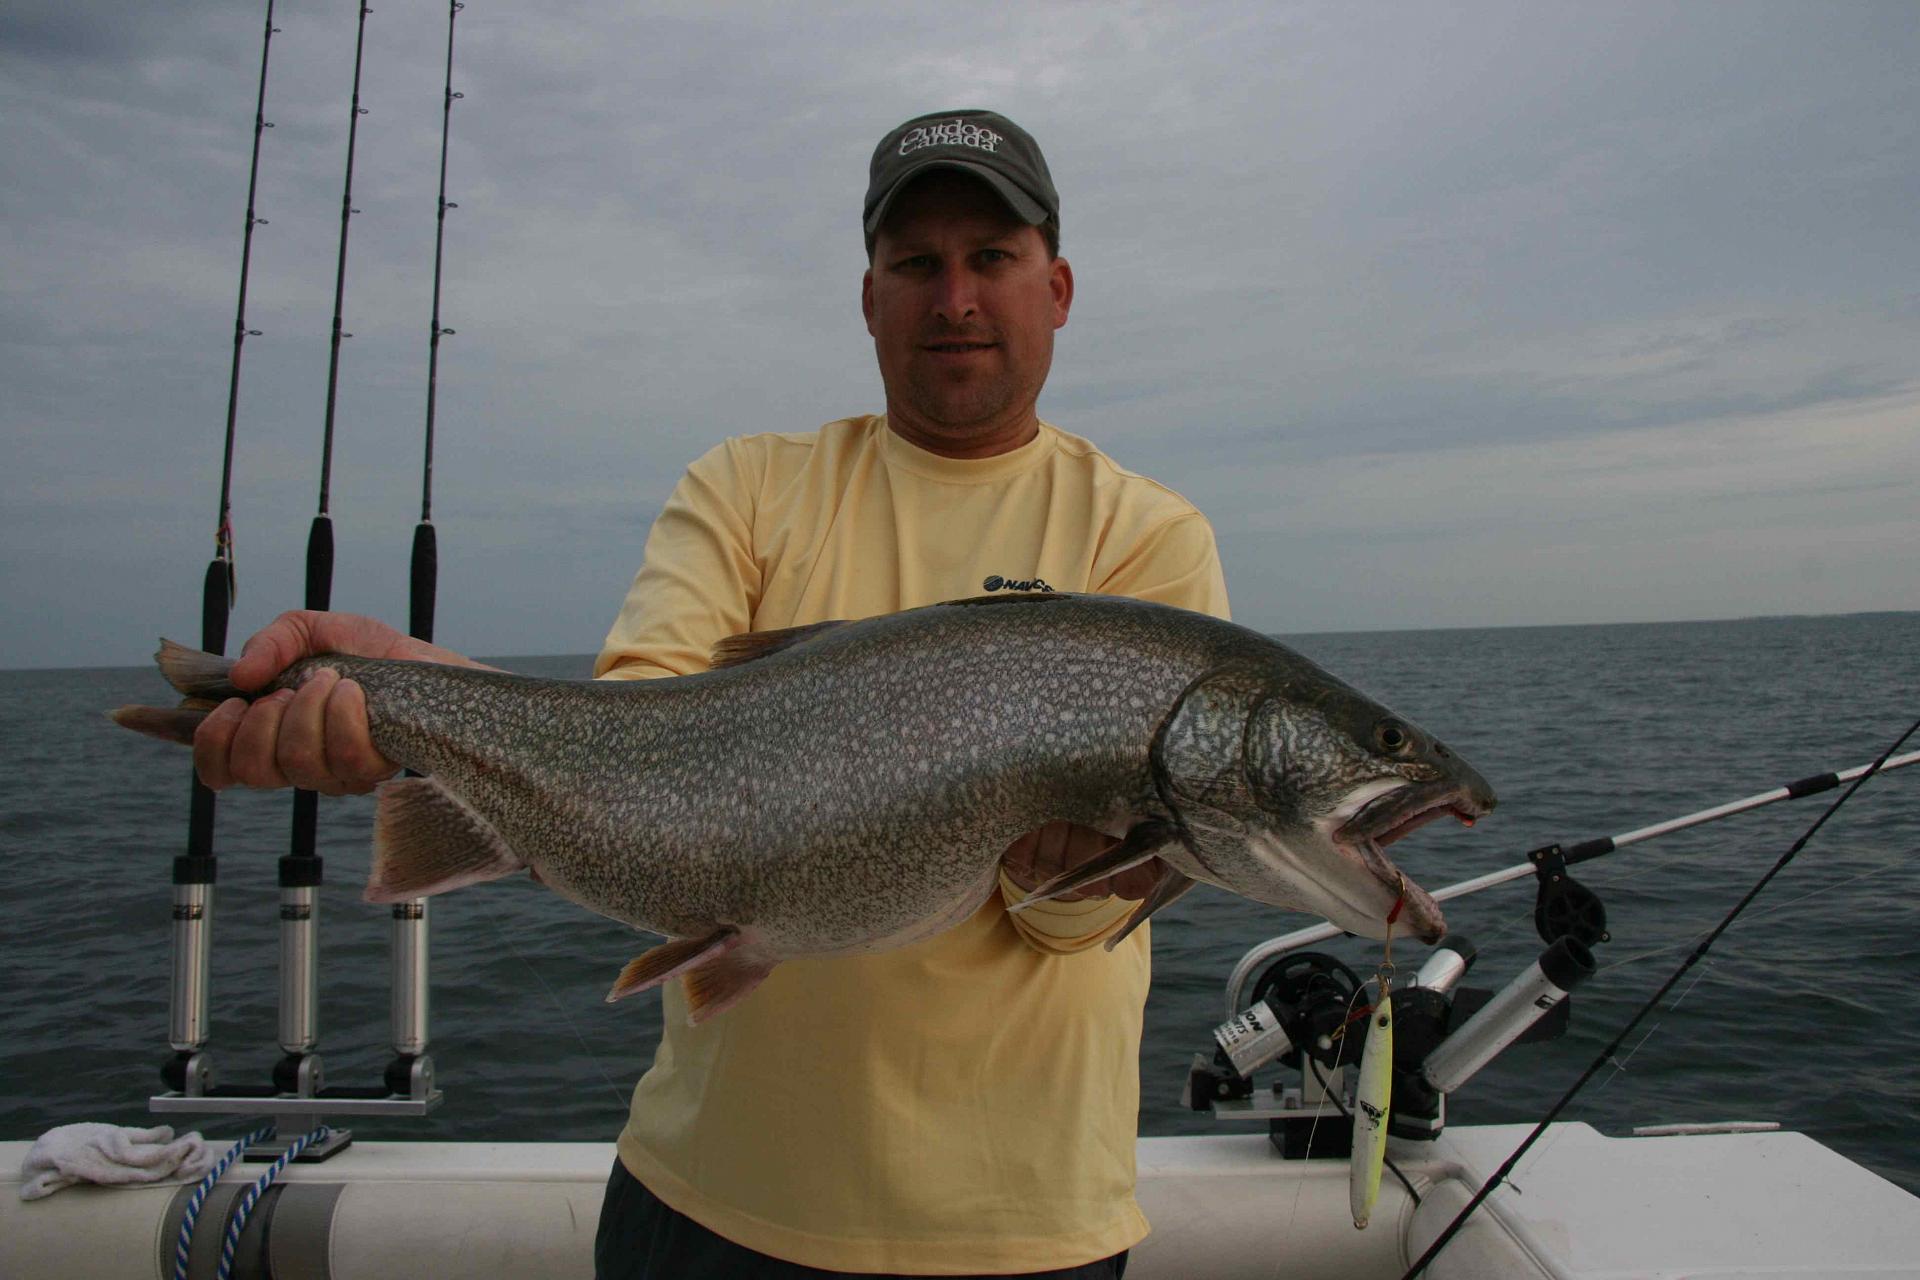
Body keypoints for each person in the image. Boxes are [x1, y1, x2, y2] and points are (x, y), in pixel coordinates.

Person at [192, 109, 1230, 1279]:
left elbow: (1078, 925)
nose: (955, 299)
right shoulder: (750, 485)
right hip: (709, 1206)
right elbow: (633, 756)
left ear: (1059, 286)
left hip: (1026, 1226)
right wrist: (417, 696)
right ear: (869, 296)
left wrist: (1083, 875)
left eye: (992, 258)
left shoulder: (1148, 537)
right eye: (917, 264)